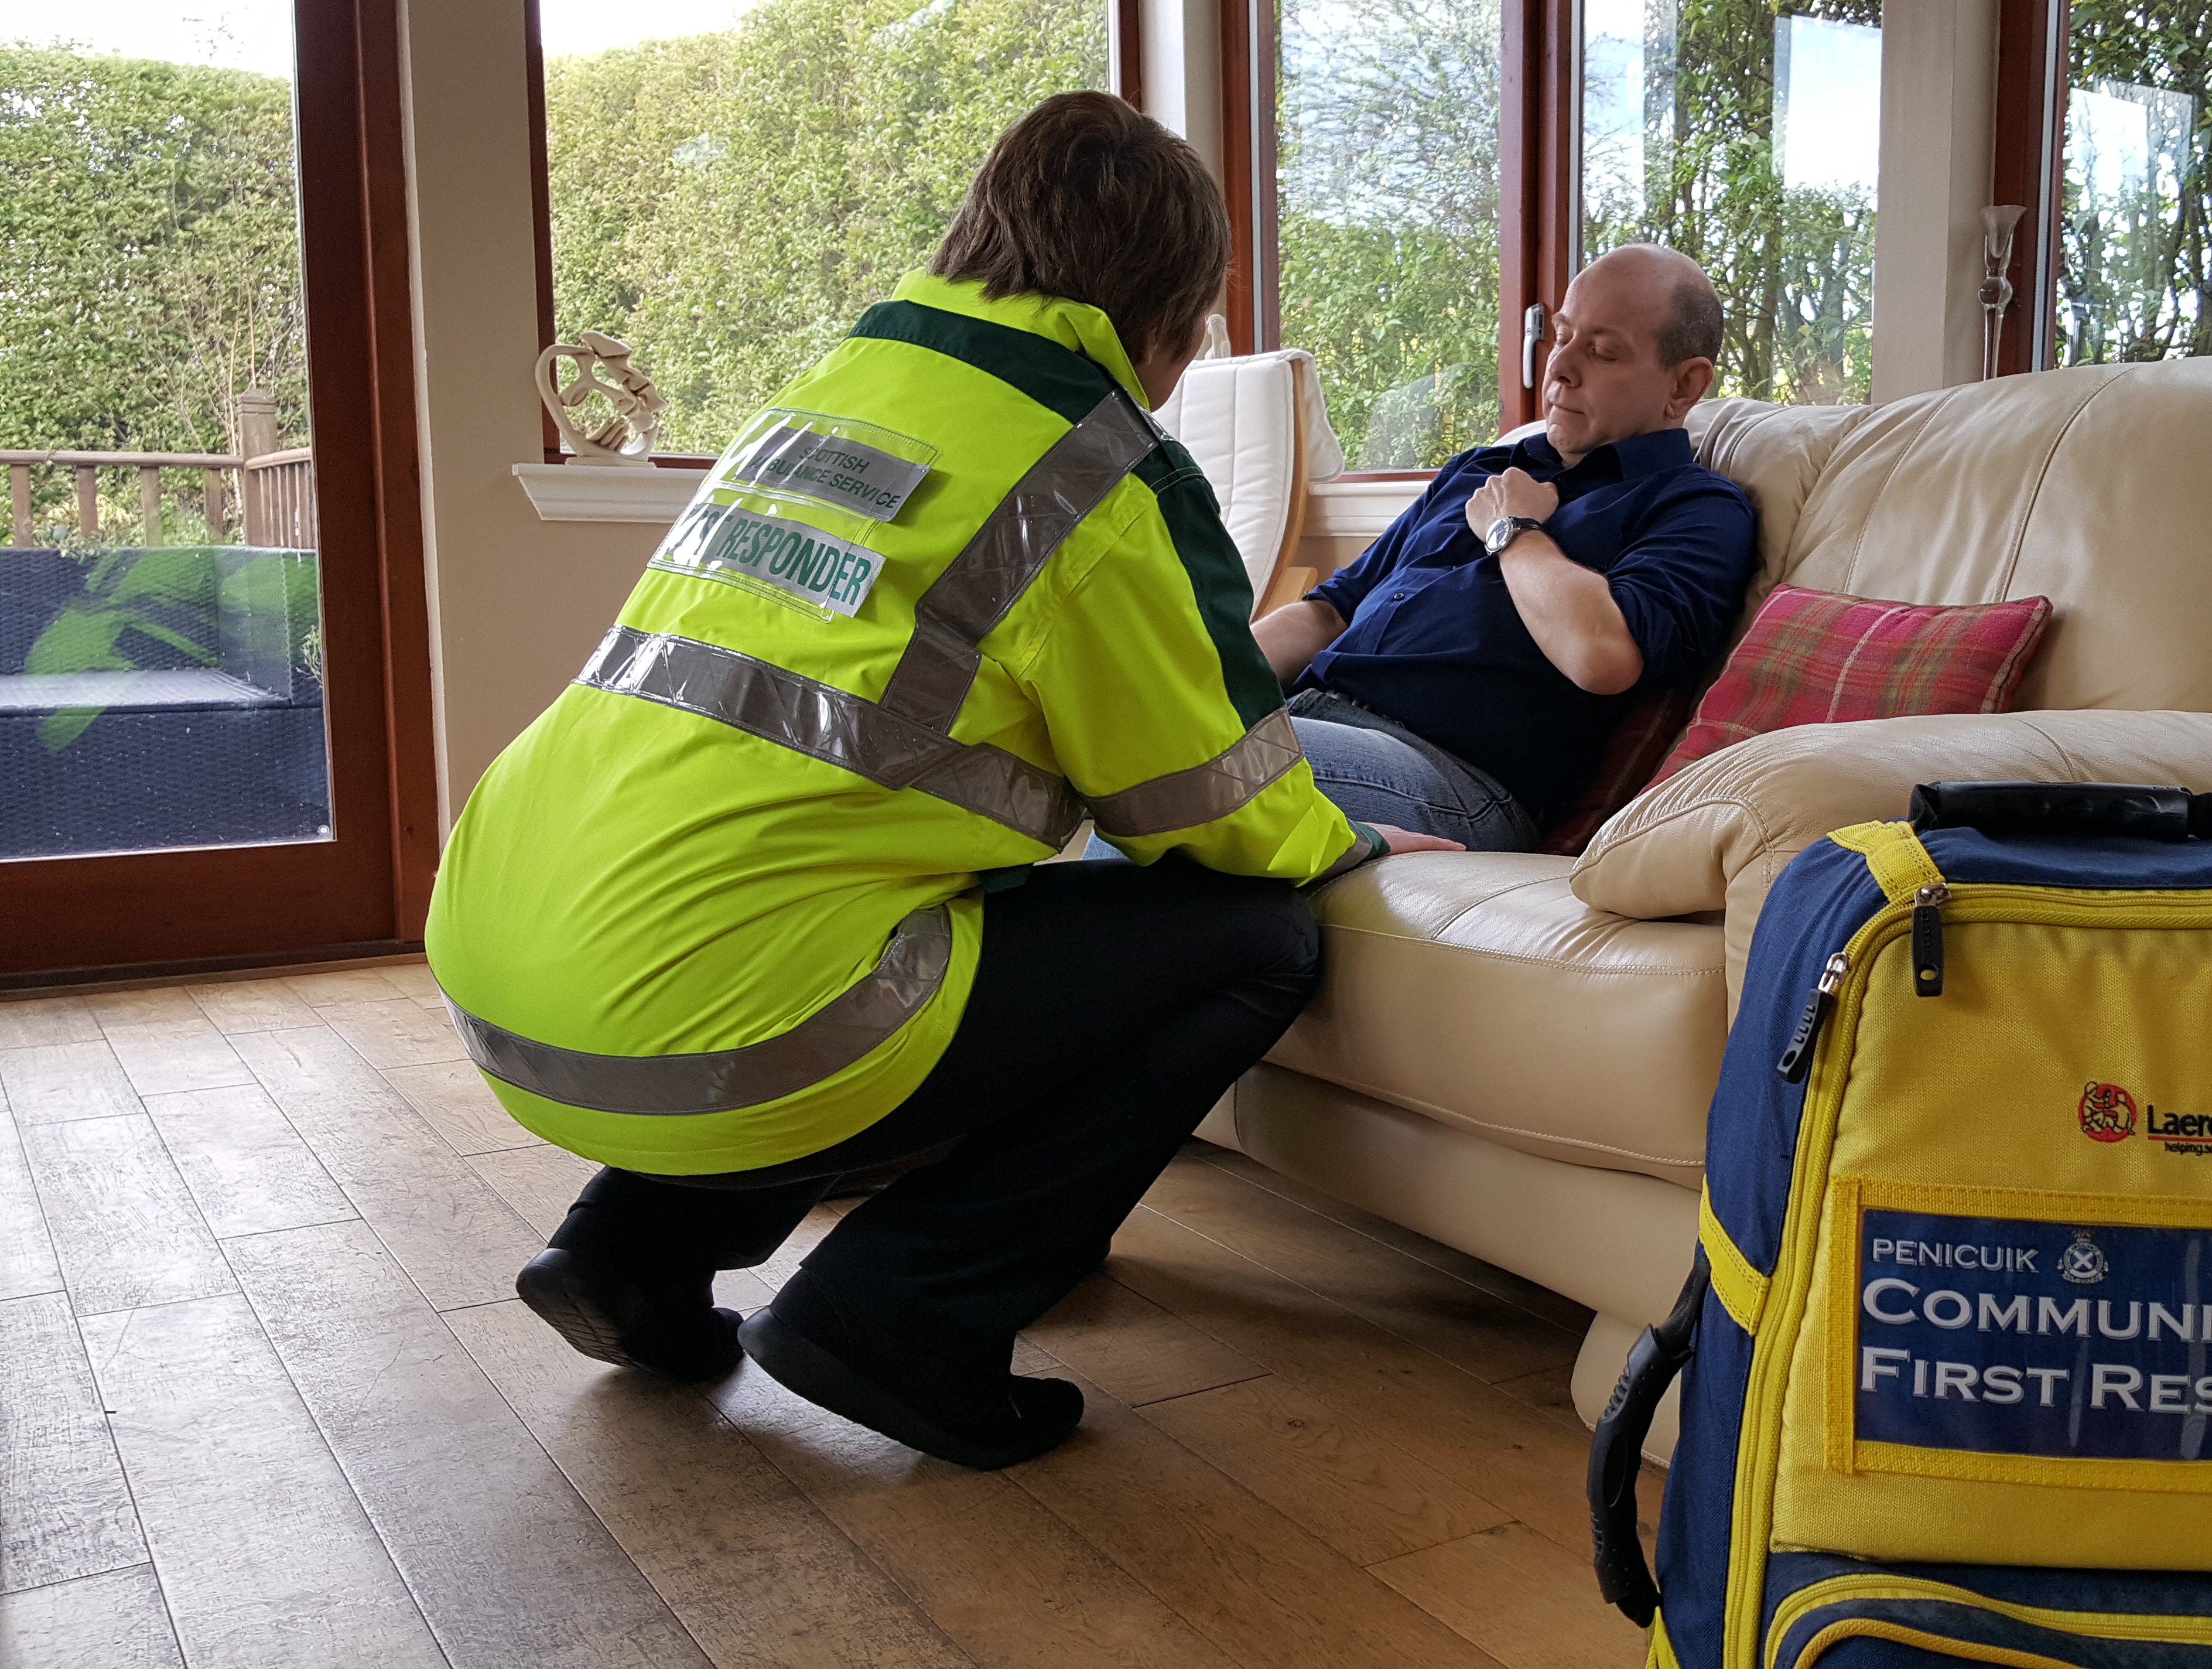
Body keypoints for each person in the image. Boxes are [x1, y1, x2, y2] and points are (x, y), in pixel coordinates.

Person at [423, 91, 1458, 1472]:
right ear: (1172, 320)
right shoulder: (1097, 475)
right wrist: (1353, 842)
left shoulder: (835, 391)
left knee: (838, 908)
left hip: (504, 979)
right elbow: (1220, 812)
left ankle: (631, 1245)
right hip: (707, 1024)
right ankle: (903, 1312)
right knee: (1249, 939)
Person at [1250, 247, 1755, 849]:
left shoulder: (1693, 508)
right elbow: (1329, 610)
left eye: (1600, 351)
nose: (1559, 369)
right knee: (1151, 739)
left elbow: (1600, 655)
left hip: (1449, 775)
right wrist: (1203, 674)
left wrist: (1513, 530)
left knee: (1182, 761)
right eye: (1562, 337)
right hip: (1308, 715)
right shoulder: (1481, 469)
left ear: (1684, 383)